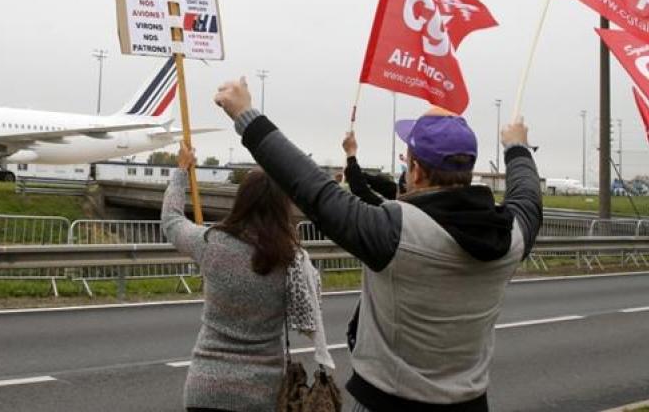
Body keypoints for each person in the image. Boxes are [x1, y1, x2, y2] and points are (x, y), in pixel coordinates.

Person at [214, 78, 542, 412]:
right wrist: (517, 148)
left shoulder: (395, 232)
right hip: (470, 404)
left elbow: (311, 188)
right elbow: (527, 196)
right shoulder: (511, 236)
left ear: (415, 170)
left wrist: (245, 115)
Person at [161, 142, 298, 412]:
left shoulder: (212, 243)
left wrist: (181, 171)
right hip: (261, 395)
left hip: (205, 389)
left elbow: (171, 220)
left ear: (241, 201)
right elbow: (306, 313)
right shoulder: (291, 259)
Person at [342, 131, 398, 204]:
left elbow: (364, 194)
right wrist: (356, 174)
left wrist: (351, 153)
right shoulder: (409, 200)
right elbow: (389, 188)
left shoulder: (400, 210)